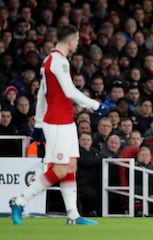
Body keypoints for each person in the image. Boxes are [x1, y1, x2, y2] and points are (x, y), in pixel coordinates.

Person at [9, 25, 109, 225]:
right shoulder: (58, 61)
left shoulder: (50, 60)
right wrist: (95, 106)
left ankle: (73, 215)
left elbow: (41, 94)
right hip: (56, 122)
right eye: (77, 40)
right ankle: (20, 201)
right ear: (71, 40)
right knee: (61, 168)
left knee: (70, 166)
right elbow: (70, 91)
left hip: (64, 120)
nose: (78, 44)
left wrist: (37, 124)